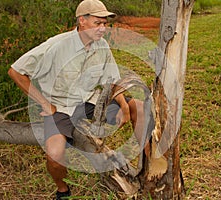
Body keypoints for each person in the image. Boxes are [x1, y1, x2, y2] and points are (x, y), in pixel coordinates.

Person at [8, 0, 146, 199]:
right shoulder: (55, 46)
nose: (103, 28)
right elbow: (16, 71)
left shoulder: (102, 45)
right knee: (55, 157)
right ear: (82, 21)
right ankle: (62, 189)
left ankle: (147, 169)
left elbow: (112, 80)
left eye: (105, 24)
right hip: (61, 107)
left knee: (139, 108)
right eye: (98, 23)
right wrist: (45, 104)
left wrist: (124, 106)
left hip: (90, 100)